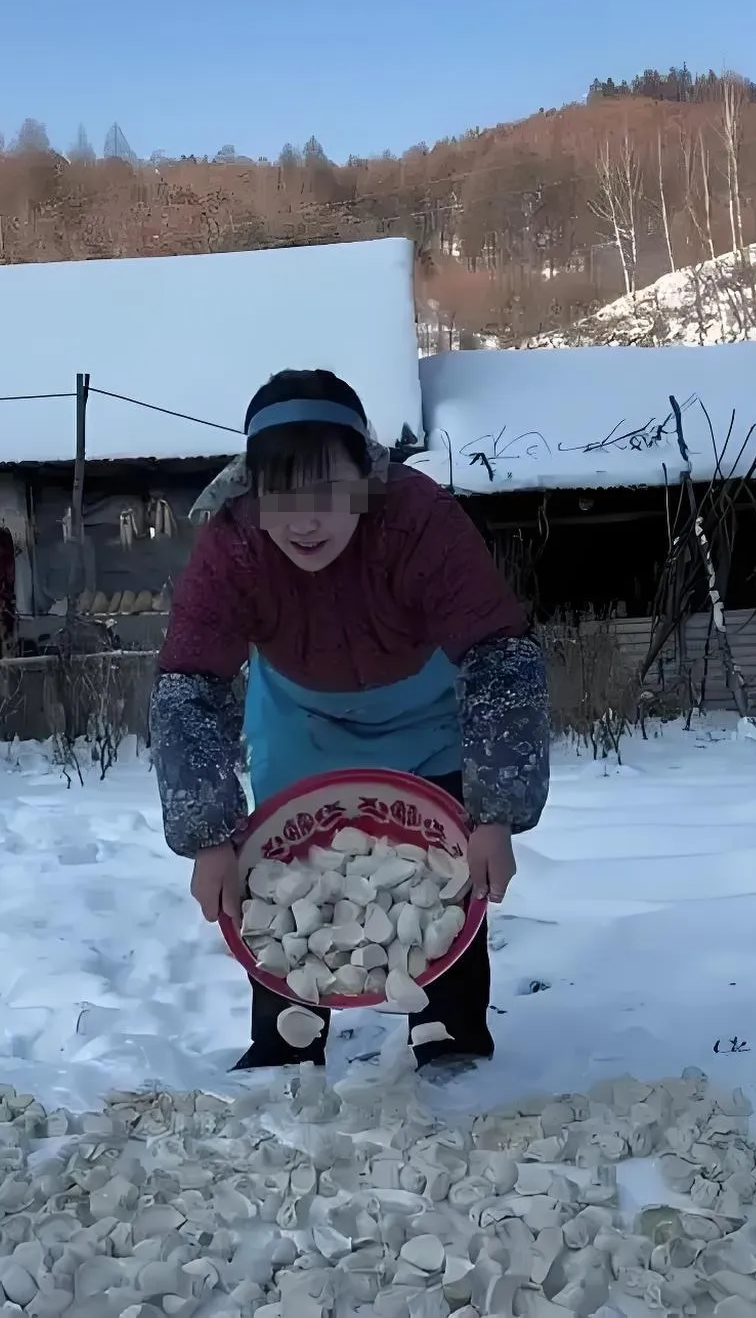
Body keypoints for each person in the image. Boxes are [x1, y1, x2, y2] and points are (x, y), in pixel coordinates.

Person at [149, 368, 549, 1072]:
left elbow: (498, 656)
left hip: (426, 720)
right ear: (253, 490)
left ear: (365, 479)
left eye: (327, 492)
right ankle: (284, 1048)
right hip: (300, 722)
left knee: (442, 879)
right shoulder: (233, 544)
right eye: (282, 495)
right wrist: (210, 836)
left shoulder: (418, 518)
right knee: (284, 876)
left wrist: (494, 814)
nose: (305, 521)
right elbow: (189, 687)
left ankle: (450, 1041)